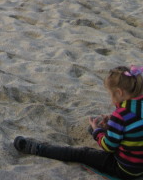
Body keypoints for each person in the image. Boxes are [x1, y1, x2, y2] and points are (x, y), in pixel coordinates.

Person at [14, 65, 143, 179]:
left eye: (111, 94)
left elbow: (108, 147)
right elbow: (133, 124)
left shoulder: (120, 115)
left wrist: (97, 131)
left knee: (81, 153)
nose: (111, 98)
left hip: (127, 169)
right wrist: (111, 122)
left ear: (119, 93)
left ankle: (39, 149)